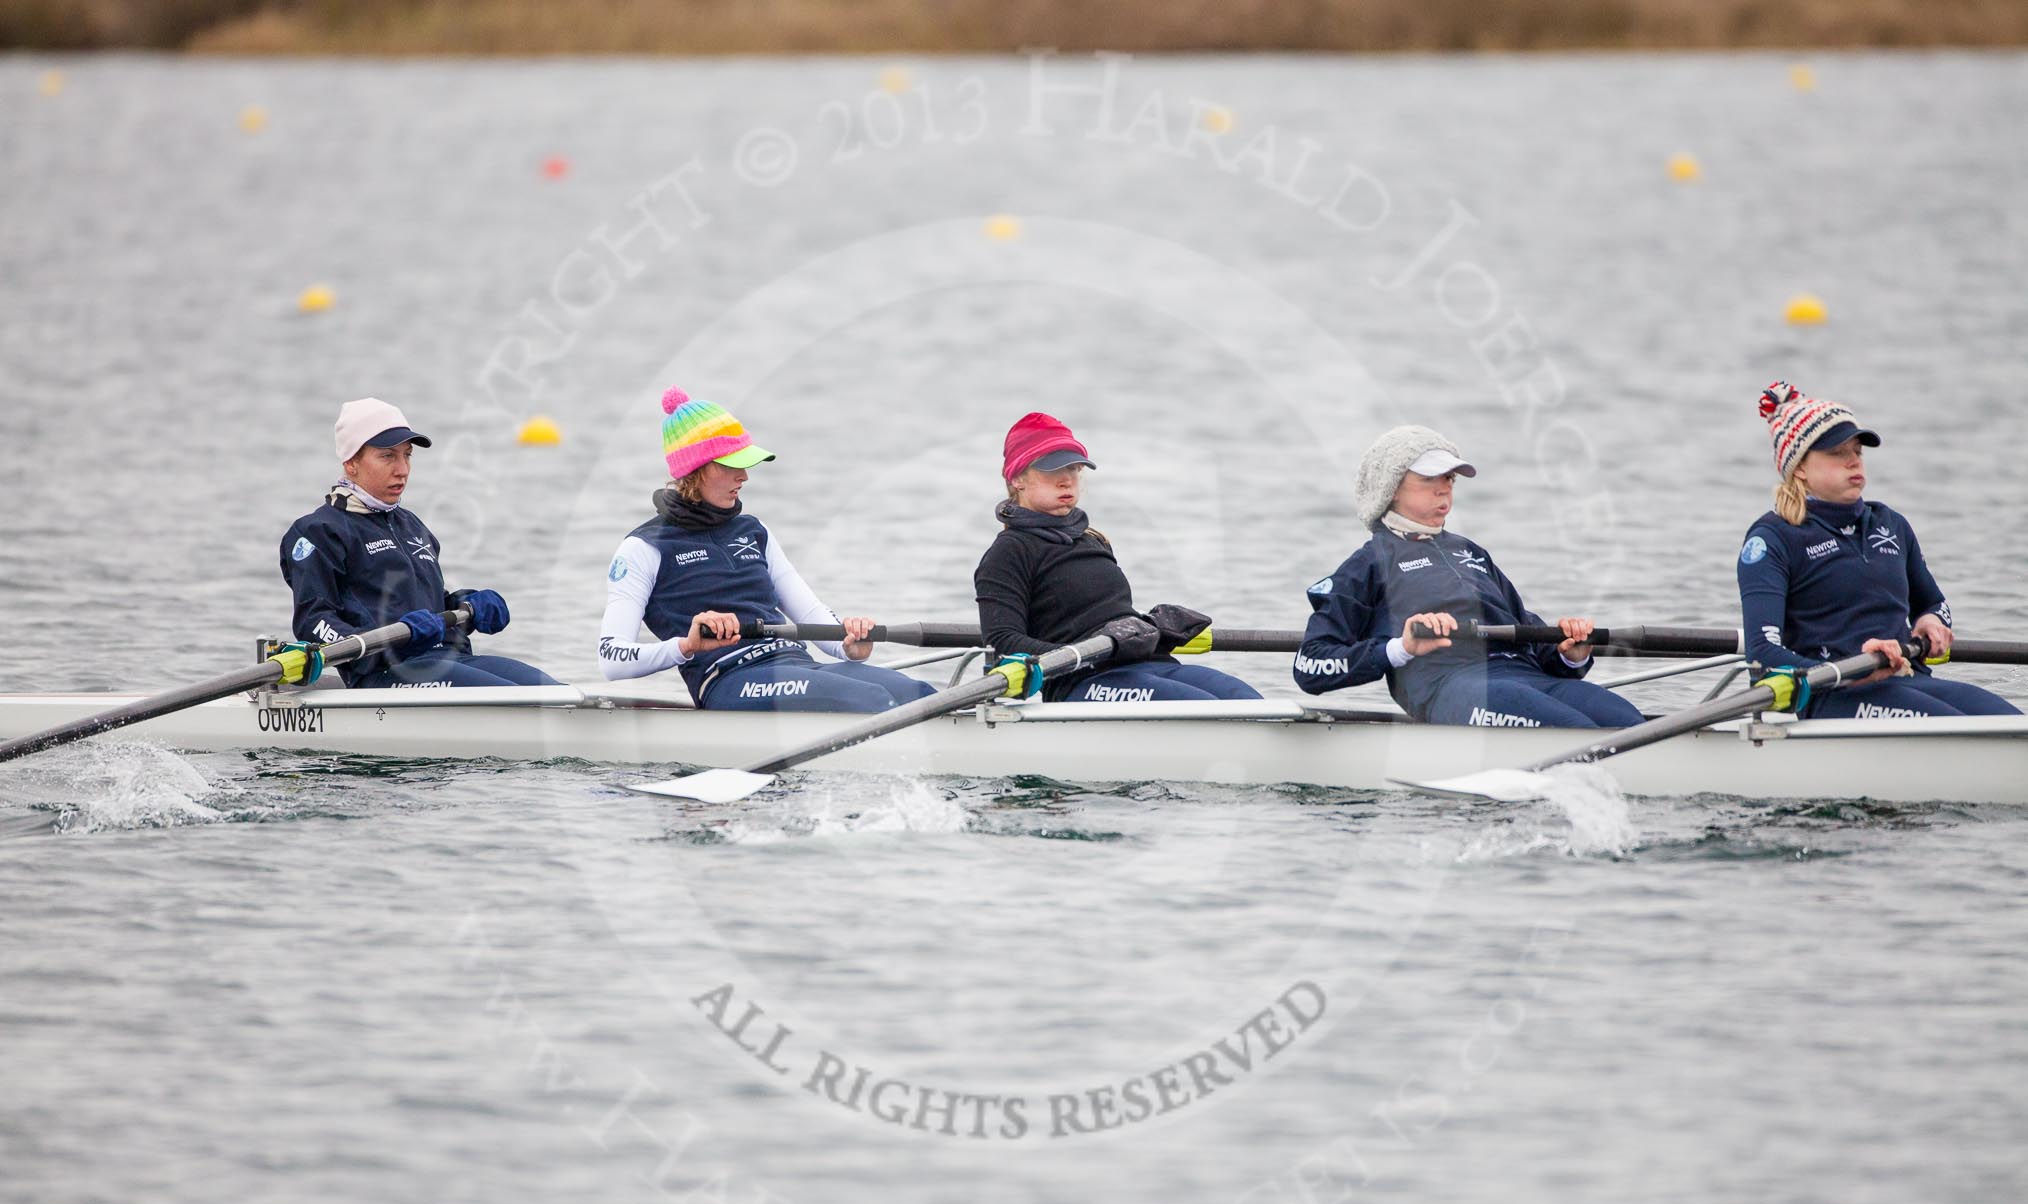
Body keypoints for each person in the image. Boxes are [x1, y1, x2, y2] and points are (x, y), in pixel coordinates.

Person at [597, 387, 936, 712]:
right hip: (730, 678)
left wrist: (850, 644)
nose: (744, 476)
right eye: (731, 465)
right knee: (869, 699)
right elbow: (611, 659)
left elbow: (812, 616)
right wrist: (686, 646)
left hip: (794, 665)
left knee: (919, 693)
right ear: (695, 469)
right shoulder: (643, 548)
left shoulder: (754, 532)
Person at [1295, 425, 1643, 729]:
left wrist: (1571, 653)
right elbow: (1310, 665)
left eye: (1449, 478)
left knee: (1629, 724)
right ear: (1391, 488)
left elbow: (1532, 639)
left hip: (1525, 677)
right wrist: (1400, 648)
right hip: (1451, 685)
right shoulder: (1367, 564)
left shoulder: (1473, 554)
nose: (1443, 489)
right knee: (1578, 730)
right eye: (1428, 478)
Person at [1736, 381, 2019, 719]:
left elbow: (1933, 603)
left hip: (1909, 681)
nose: (1854, 462)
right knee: (1967, 729)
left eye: (1857, 451)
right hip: (1833, 698)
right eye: (1838, 453)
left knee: (2014, 722)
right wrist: (1853, 671)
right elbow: (1762, 656)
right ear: (1799, 467)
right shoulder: (1774, 539)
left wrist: (1931, 621)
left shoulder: (1891, 525)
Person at [972, 412, 1262, 703]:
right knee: (1203, 706)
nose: (1067, 481)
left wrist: (1149, 629)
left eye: (1074, 468)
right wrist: (1091, 651)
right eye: (1051, 470)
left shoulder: (1093, 540)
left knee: (1247, 699)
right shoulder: (1008, 553)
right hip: (1083, 681)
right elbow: (1002, 644)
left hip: (1147, 667)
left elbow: (1107, 616)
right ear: (1017, 478)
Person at [280, 398, 559, 689]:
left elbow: (429, 608)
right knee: (521, 700)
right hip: (387, 672)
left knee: (558, 694)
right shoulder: (318, 532)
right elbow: (313, 622)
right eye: (387, 456)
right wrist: (389, 640)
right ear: (351, 463)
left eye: (407, 455)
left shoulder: (410, 525)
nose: (402, 469)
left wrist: (467, 606)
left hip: (450, 659)